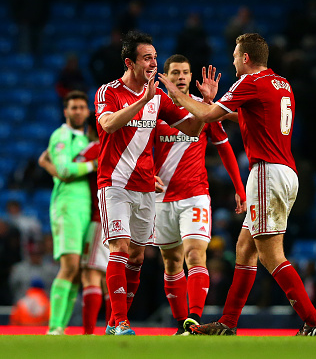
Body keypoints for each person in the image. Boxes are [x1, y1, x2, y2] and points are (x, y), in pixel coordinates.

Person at [159, 33, 316, 336]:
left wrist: (177, 95)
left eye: (236, 55)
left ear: (246, 58)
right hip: (286, 172)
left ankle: (313, 321)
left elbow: (208, 116)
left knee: (271, 254)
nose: (233, 60)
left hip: (266, 173)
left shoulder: (248, 82)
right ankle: (228, 323)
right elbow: (251, 118)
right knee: (244, 248)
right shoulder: (280, 83)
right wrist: (214, 103)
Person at [94, 30, 204, 336]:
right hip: (114, 183)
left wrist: (205, 104)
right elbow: (107, 124)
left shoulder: (158, 97)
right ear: (130, 62)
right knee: (120, 247)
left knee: (139, 256)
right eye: (147, 58)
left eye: (155, 57)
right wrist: (141, 102)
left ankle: (116, 320)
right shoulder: (109, 92)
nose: (154, 63)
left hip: (145, 186)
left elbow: (192, 129)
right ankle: (121, 322)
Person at [153, 54, 246, 335]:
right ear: (165, 77)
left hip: (195, 195)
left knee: (195, 254)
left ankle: (193, 320)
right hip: (161, 197)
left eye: (185, 72)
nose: (181, 77)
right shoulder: (154, 107)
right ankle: (181, 325)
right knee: (171, 262)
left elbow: (224, 146)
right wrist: (144, 173)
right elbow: (136, 146)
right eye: (175, 72)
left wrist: (239, 189)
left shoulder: (203, 109)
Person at [40, 115, 111, 335]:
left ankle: (94, 331)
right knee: (109, 274)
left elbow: (66, 172)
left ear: (90, 128)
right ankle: (115, 326)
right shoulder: (121, 146)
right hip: (120, 215)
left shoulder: (93, 148)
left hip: (98, 217)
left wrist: (46, 164)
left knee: (91, 274)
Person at [43, 91, 96, 335]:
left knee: (76, 272)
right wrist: (91, 165)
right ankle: (54, 326)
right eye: (72, 107)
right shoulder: (61, 135)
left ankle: (61, 327)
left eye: (81, 107)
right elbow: (63, 169)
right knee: (69, 265)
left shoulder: (85, 140)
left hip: (84, 207)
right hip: (67, 206)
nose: (77, 111)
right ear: (66, 111)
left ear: (87, 111)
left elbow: (55, 165)